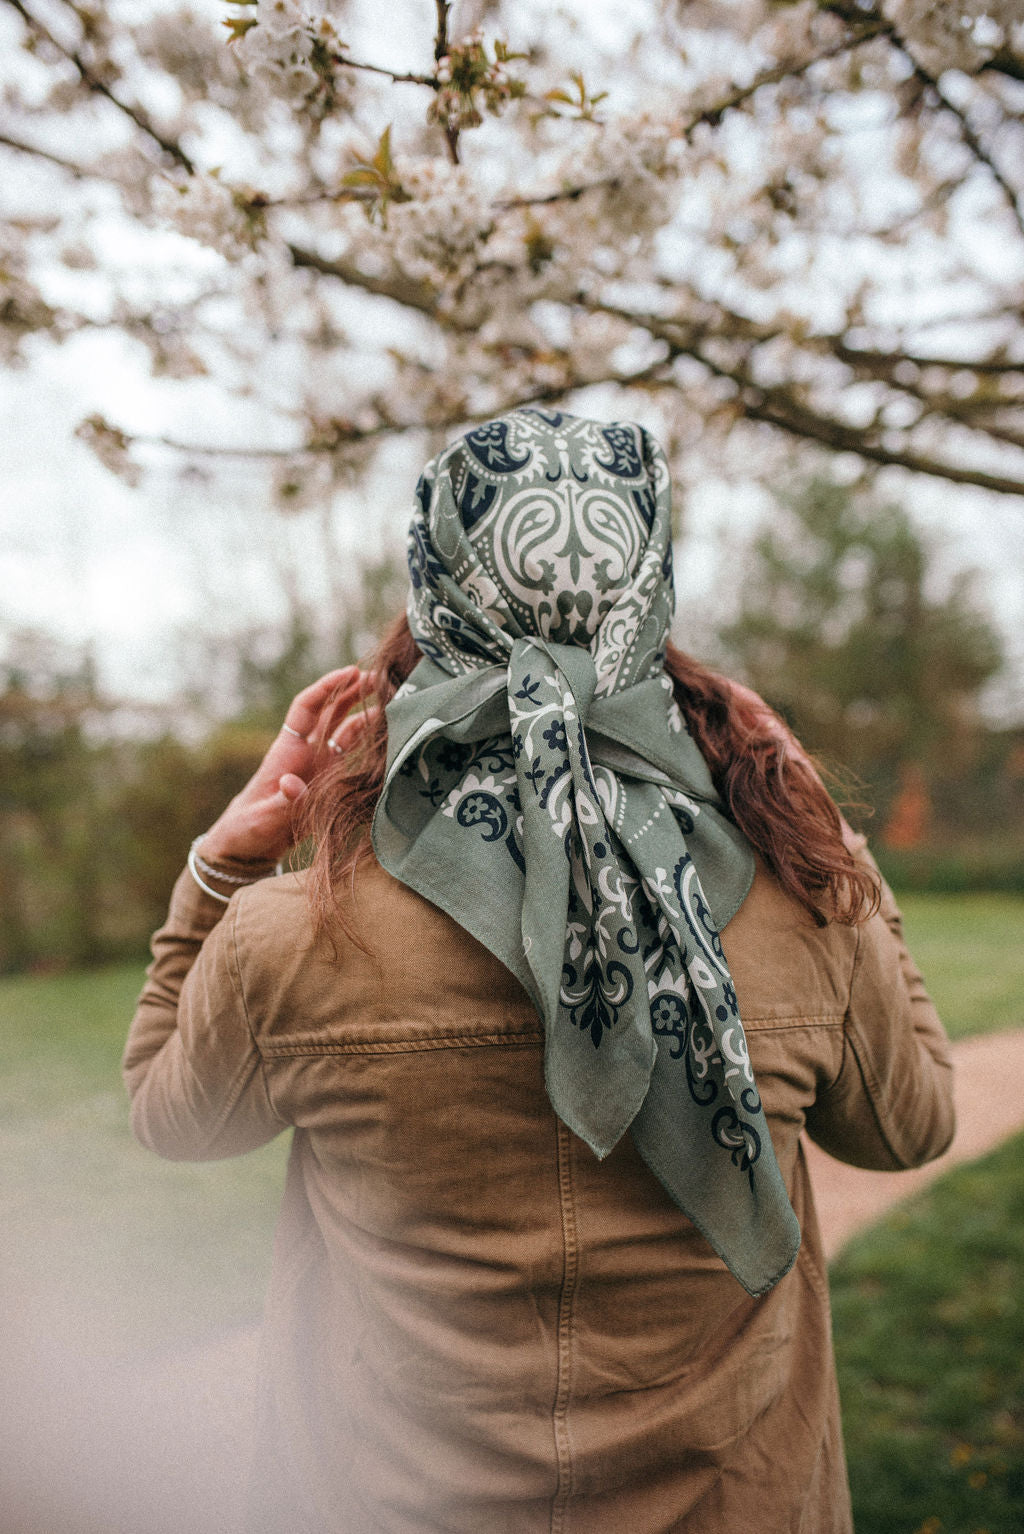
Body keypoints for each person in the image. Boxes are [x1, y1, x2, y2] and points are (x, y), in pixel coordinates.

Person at [123, 408, 955, 1534]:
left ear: (435, 601)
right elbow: (907, 1128)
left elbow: (173, 1115)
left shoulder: (290, 940)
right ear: (648, 596)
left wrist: (220, 868)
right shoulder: (804, 919)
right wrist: (829, 854)